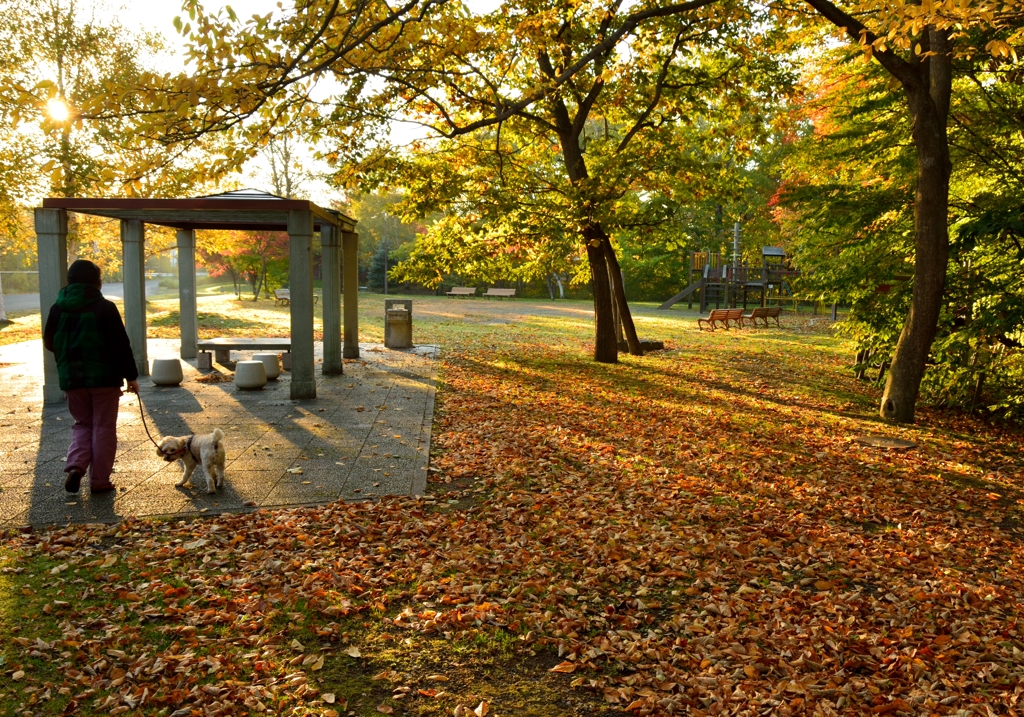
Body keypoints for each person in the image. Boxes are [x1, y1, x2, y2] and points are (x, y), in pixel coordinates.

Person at [43, 260, 140, 494]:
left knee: (82, 424)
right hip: (104, 379)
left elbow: (49, 341)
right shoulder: (104, 308)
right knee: (103, 427)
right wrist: (131, 377)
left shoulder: (58, 308)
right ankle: (99, 481)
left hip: (72, 379)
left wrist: (69, 359)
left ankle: (76, 466)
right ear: (97, 282)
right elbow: (120, 345)